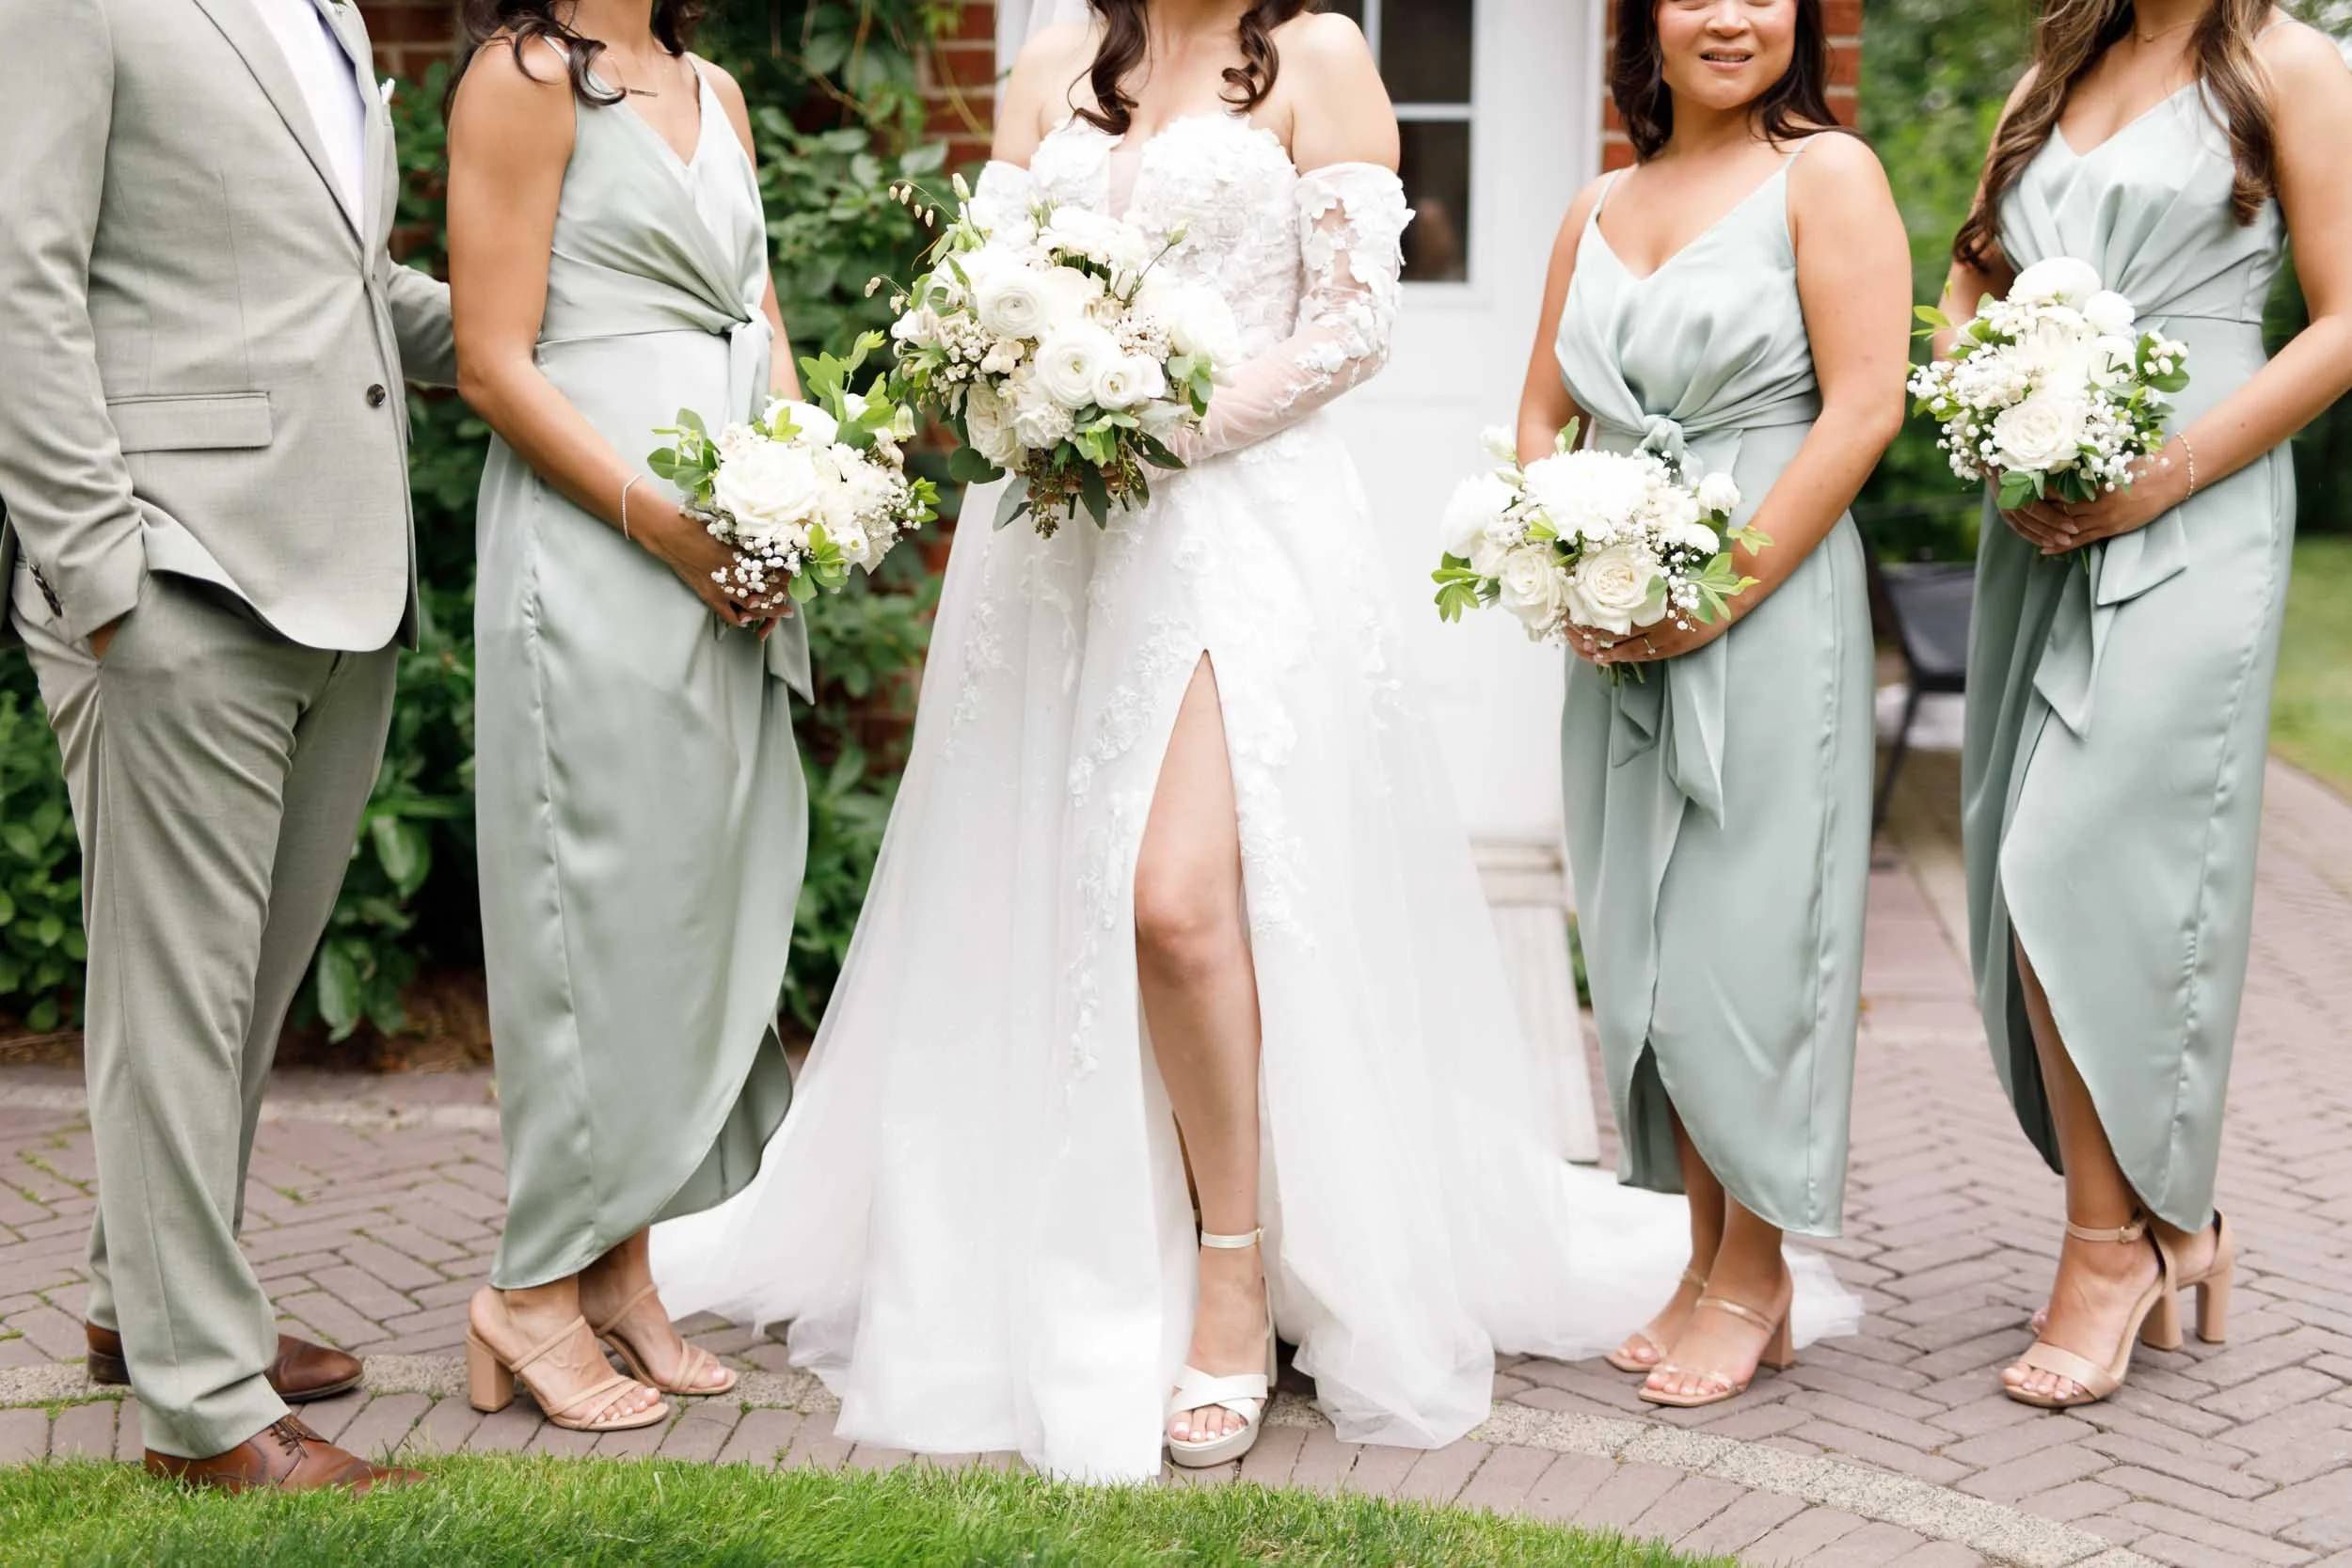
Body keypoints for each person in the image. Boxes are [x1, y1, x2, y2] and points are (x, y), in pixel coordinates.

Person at [655, 0, 1859, 1481]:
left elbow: (1355, 321)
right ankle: (1062, 1235)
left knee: (1175, 900)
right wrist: (1015, 395)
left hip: (1236, 537)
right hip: (1051, 549)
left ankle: (1234, 1266)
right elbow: (976, 298)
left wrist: (1161, 424)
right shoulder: (1045, 64)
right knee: (1050, 893)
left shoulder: (1320, 62)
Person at [0, 0, 454, 1491]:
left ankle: (147, 1304)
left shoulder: (322, 9)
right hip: (173, 574)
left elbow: (338, 281)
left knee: (242, 988)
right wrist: (98, 568)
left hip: (337, 571)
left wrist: (544, 328)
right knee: (176, 994)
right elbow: (23, 275)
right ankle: (206, 1406)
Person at [1946, 0, 2352, 1407]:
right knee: (2021, 856)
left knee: (2079, 856)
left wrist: (2162, 473)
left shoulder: (2294, 64)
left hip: (2200, 504)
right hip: (2046, 511)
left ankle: (2112, 1249)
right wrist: (1991, 418)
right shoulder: (2059, 65)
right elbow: (1974, 271)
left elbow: (2343, 322)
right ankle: (2185, 1229)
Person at [1518, 0, 1908, 1409]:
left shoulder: (1828, 177)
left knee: (1750, 944)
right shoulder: (1595, 204)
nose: (1731, 14)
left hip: (1768, 606)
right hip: (1620, 628)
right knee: (1649, 950)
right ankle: (1696, 1256)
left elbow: (1864, 406)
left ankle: (1757, 1269)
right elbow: (1541, 418)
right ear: (1648, 23)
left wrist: (1719, 592)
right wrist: (1565, 564)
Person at [444, 0, 809, 1433]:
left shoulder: (706, 80)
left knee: (685, 905)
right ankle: (527, 1292)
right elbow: (491, 359)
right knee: (590, 904)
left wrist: (794, 498)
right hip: (599, 548)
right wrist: (661, 520)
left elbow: (761, 311)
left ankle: (621, 1271)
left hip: (725, 552)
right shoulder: (523, 78)